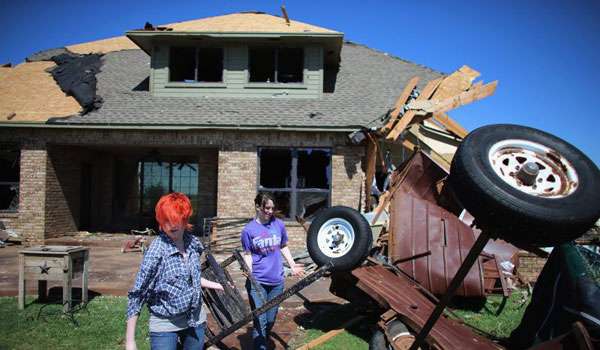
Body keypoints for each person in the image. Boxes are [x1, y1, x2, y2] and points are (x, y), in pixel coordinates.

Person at [125, 192, 223, 350]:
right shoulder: (157, 252)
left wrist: (216, 285)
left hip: (195, 319)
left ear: (185, 219)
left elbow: (191, 277)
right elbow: (138, 293)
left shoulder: (193, 243)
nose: (172, 225)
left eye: (177, 219)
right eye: (166, 220)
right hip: (165, 323)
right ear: (160, 222)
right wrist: (130, 341)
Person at [241, 193, 305, 350]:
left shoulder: (279, 225)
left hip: (277, 281)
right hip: (258, 282)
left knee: (269, 320)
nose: (269, 211)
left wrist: (292, 265)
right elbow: (248, 254)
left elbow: (283, 245)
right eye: (266, 208)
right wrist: (249, 271)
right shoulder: (248, 230)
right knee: (260, 321)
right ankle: (260, 345)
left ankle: (261, 339)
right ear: (257, 207)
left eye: (271, 208)